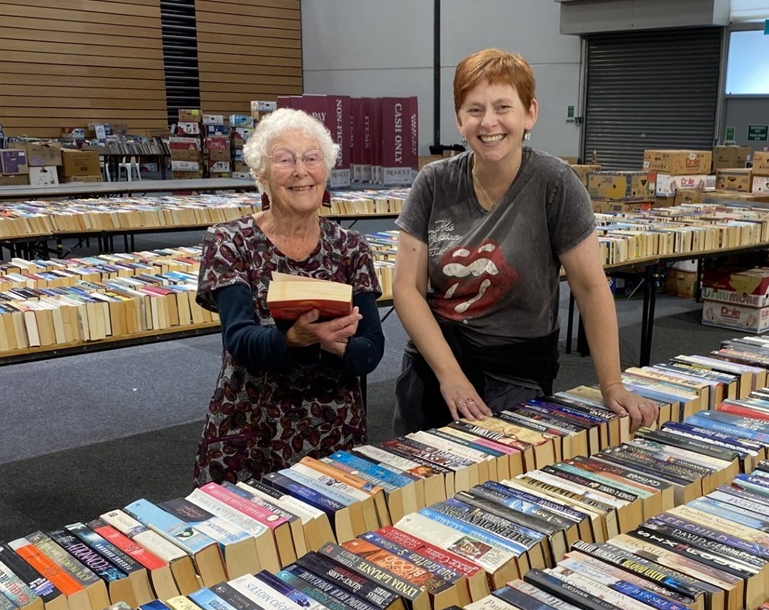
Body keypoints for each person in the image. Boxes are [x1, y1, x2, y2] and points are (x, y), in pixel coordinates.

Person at [392, 47, 660, 434]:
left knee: (502, 483)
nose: (489, 122)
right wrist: (449, 373)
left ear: (529, 113)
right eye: (474, 109)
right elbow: (406, 288)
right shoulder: (433, 183)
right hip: (434, 363)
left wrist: (612, 384)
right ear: (459, 119)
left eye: (503, 107)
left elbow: (589, 286)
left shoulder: (555, 184)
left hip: (514, 371)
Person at [192, 107, 384, 485]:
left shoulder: (351, 248)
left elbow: (372, 348)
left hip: (335, 430)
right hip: (252, 429)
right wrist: (296, 339)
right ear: (261, 174)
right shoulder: (230, 242)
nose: (301, 171)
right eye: (284, 160)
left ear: (325, 169)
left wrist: (335, 347)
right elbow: (240, 339)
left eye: (312, 158)